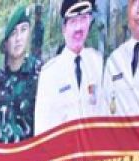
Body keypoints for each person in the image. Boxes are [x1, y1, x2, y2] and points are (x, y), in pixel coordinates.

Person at [34, 0, 105, 135]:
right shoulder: (49, 74)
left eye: (83, 19)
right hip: (64, 153)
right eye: (73, 22)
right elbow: (41, 131)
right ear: (64, 29)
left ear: (89, 21)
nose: (79, 28)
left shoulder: (98, 63)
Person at [0, 6, 43, 143]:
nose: (18, 38)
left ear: (29, 33)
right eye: (13, 33)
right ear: (6, 44)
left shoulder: (40, 73)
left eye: (23, 30)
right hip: (2, 158)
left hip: (30, 157)